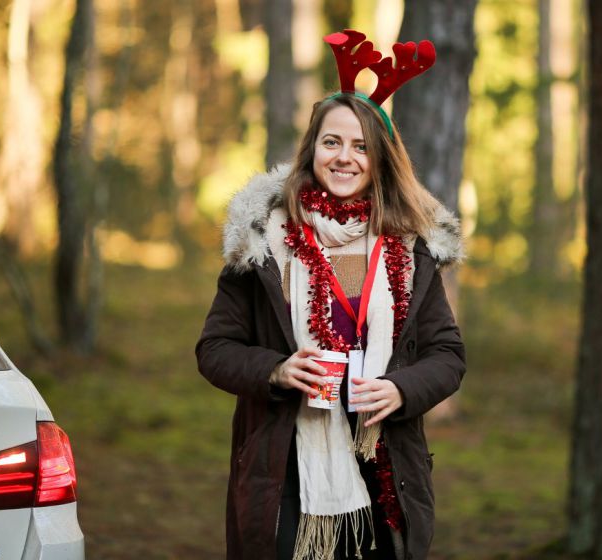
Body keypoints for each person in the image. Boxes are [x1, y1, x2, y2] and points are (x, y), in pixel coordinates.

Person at [196, 29, 466, 560]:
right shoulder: (262, 243)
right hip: (284, 468)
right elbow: (215, 350)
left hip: (384, 469)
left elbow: (448, 355)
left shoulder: (410, 250)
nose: (346, 158)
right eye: (332, 142)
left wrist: (401, 390)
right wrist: (275, 370)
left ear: (381, 159)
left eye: (362, 146)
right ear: (312, 149)